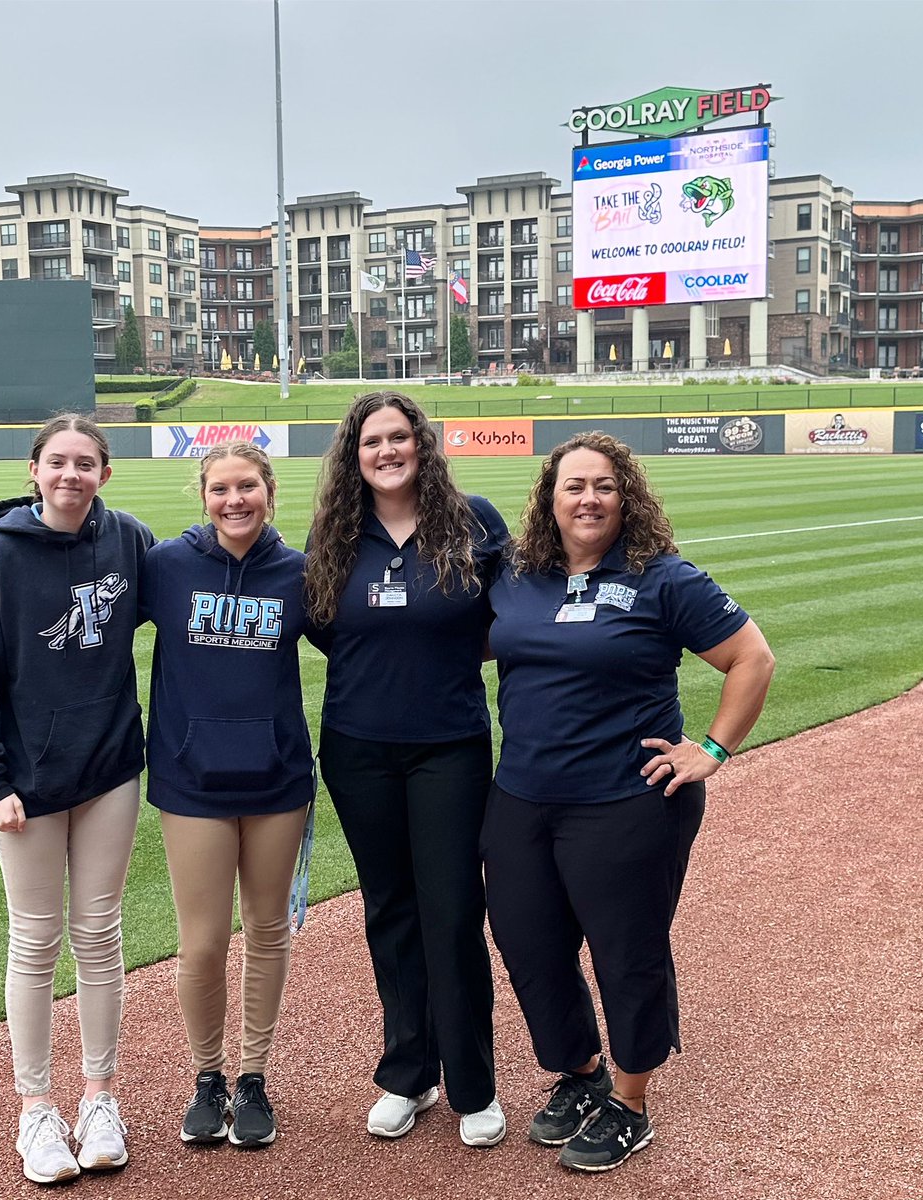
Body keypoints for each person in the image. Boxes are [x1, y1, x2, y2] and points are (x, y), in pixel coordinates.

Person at [482, 431, 775, 1173]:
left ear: (626, 497)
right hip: (520, 797)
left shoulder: (662, 579)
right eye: (573, 486)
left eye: (603, 486)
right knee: (528, 947)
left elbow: (752, 657)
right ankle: (581, 1072)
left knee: (627, 954)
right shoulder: (520, 576)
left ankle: (631, 1101)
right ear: (550, 499)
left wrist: (708, 750)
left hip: (627, 801)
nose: (588, 498)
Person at [0, 413, 154, 1184]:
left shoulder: (127, 539)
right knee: (34, 939)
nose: (71, 475)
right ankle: (36, 1108)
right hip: (26, 781)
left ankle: (100, 1097)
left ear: (106, 473)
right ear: (34, 469)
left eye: (86, 463)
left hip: (108, 768)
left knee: (99, 932)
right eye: (58, 462)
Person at [303, 391, 509, 1148]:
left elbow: (506, 618)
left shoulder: (475, 519)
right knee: (389, 910)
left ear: (420, 443)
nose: (386, 451)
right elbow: (329, 627)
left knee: (453, 912)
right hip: (358, 748)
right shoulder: (336, 531)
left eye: (398, 436)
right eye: (371, 442)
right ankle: (408, 1072)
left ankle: (474, 1084)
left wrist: (438, 655)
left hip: (448, 745)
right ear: (353, 457)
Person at [142, 441, 314, 1150]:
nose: (234, 500)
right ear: (203, 496)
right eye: (220, 489)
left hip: (276, 780)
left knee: (268, 931)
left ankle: (253, 1079)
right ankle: (207, 1077)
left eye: (247, 486)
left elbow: (367, 643)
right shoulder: (167, 567)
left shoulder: (299, 573)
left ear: (270, 491)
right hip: (191, 781)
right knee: (204, 943)